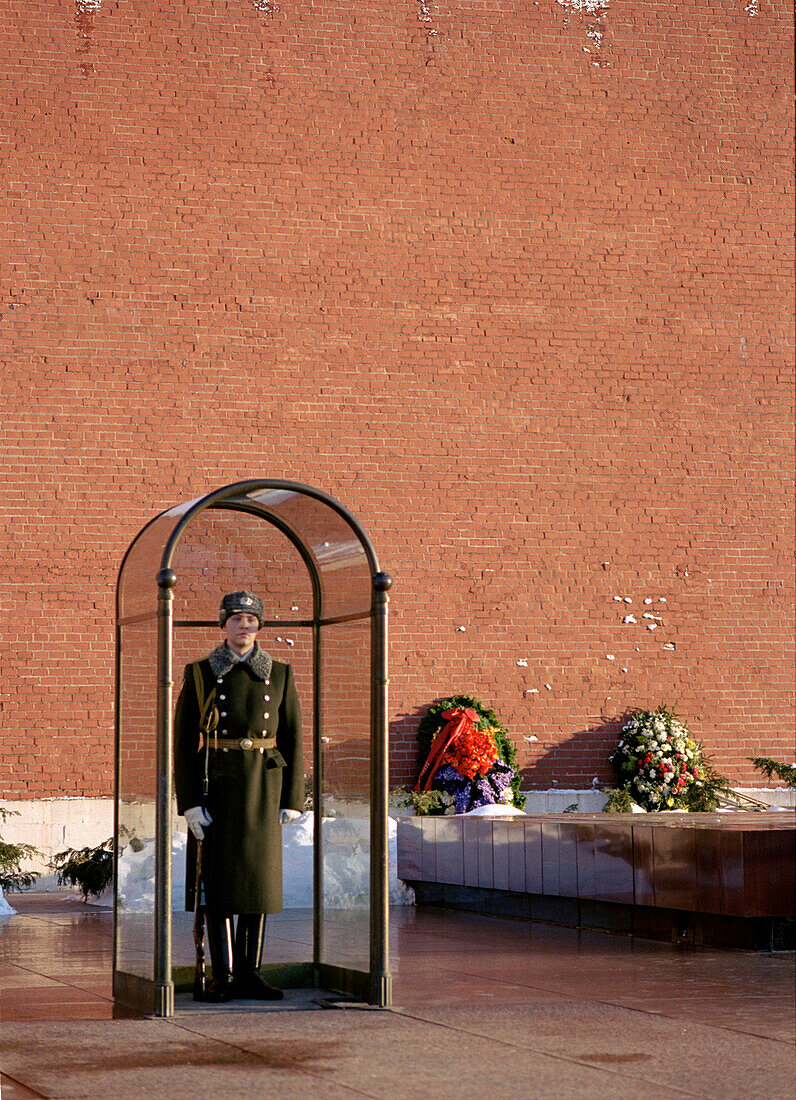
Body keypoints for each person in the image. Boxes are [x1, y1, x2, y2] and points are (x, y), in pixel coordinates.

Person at [174, 590, 303, 1002]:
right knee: (219, 885)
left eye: (251, 619)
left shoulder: (280, 673)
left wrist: (292, 799)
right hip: (219, 785)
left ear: (259, 626)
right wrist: (190, 802)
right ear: (223, 625)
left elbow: (295, 738)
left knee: (257, 883)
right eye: (236, 619)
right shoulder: (200, 673)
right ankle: (222, 977)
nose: (243, 626)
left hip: (263, 787)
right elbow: (182, 744)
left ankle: (251, 973)